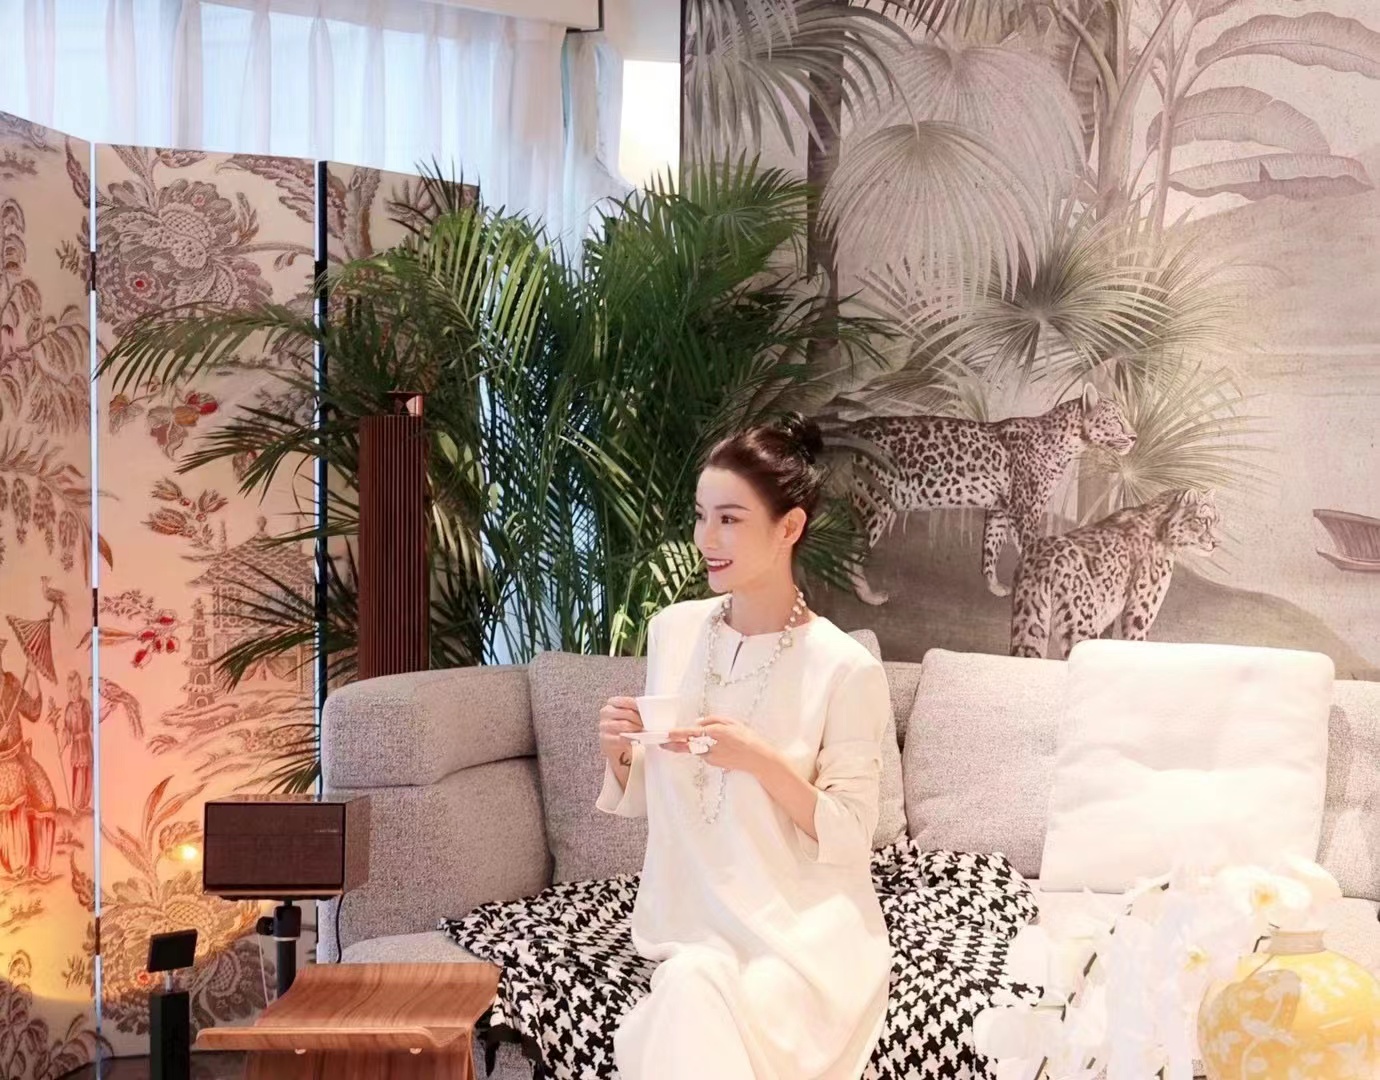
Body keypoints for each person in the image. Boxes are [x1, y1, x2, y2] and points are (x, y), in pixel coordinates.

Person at [596, 413, 893, 1080]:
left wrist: (759, 760)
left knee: (701, 1002)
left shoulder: (843, 668)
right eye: (701, 516)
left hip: (800, 932)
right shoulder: (673, 632)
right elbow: (665, 790)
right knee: (693, 982)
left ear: (789, 528)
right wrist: (622, 752)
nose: (706, 539)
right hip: (687, 921)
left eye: (729, 519)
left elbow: (850, 834)